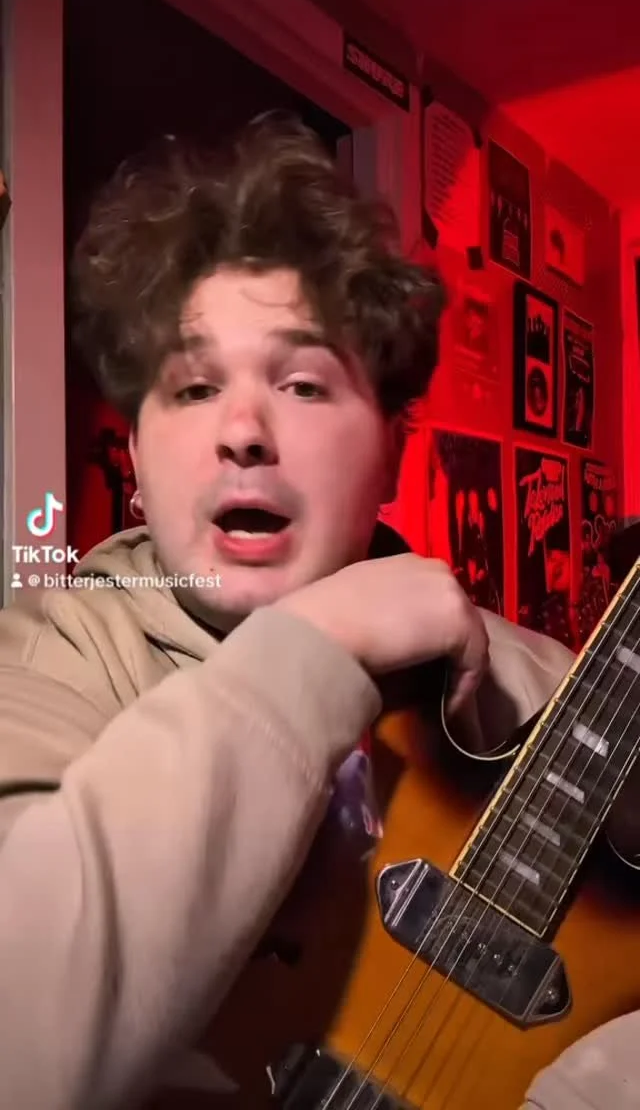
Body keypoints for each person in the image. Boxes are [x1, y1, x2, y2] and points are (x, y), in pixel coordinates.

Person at [0, 113, 637, 1110]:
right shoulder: (39, 665)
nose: (244, 431)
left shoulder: (550, 691)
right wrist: (317, 644)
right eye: (193, 387)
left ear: (393, 451)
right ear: (135, 465)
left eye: (302, 383)